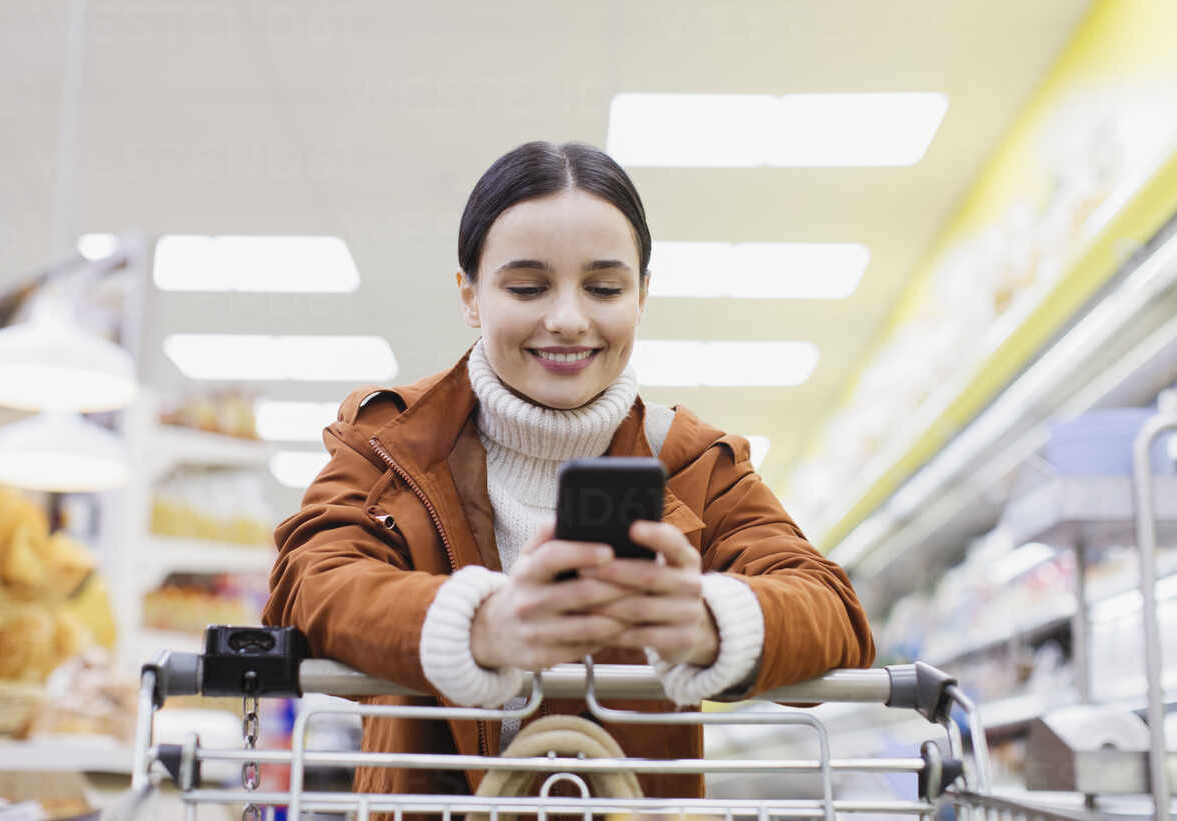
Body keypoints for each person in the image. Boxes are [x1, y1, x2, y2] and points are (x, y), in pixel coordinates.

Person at [262, 140, 875, 800]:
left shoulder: (694, 462)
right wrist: (483, 624)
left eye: (604, 287)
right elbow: (307, 582)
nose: (566, 319)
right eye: (527, 286)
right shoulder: (389, 442)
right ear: (470, 295)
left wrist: (706, 620)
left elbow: (832, 611)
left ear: (642, 294)